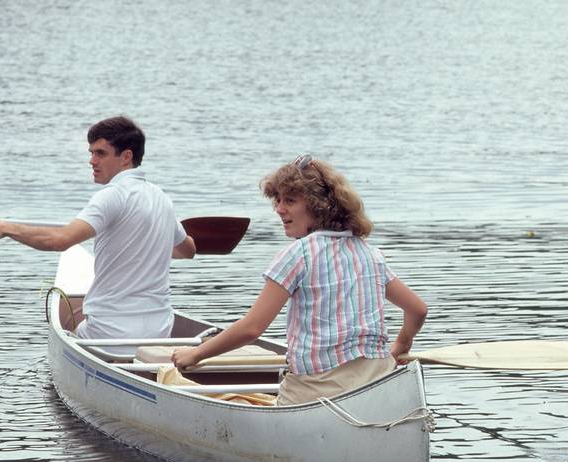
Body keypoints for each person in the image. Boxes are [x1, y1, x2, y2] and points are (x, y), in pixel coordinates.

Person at [171, 154, 427, 406]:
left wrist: (194, 355)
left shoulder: (298, 254)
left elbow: (252, 328)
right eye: (277, 200)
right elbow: (417, 309)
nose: (279, 209)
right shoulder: (369, 254)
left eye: (290, 200)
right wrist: (402, 342)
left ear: (318, 206)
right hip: (375, 384)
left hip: (317, 390)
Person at [0, 116, 196, 343]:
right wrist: (148, 242)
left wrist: (6, 228)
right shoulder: (161, 198)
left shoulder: (112, 196)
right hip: (159, 332)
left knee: (70, 327)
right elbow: (187, 250)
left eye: (100, 153)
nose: (92, 161)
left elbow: (60, 241)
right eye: (91, 153)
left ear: (126, 157)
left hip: (108, 334)